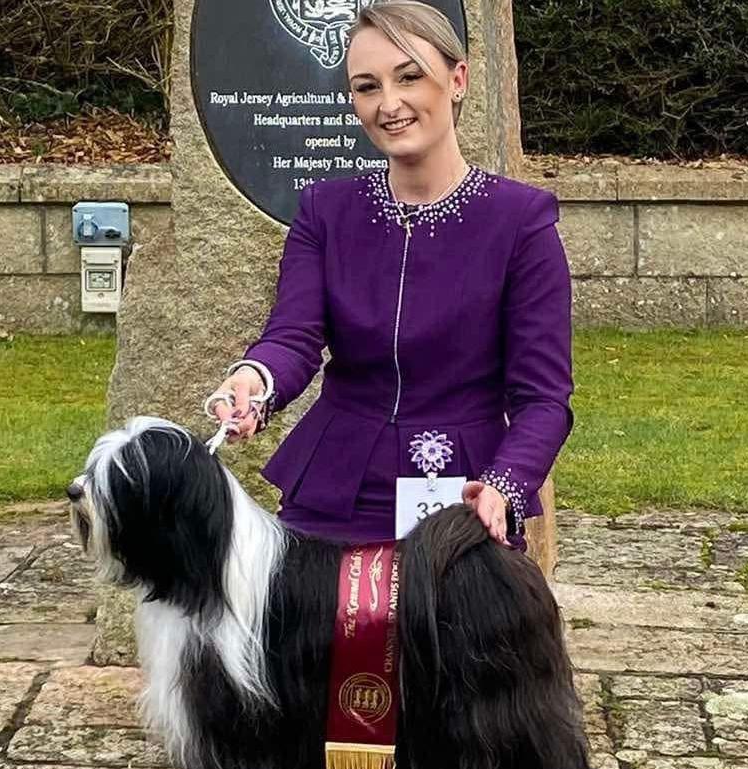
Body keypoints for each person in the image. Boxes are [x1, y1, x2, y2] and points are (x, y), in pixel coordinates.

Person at [209, 0, 572, 551]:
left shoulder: (522, 222)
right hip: (336, 486)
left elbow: (544, 397)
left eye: (408, 77)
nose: (389, 104)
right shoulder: (324, 212)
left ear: (457, 79)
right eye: (367, 86)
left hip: (466, 498)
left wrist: (504, 486)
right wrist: (254, 383)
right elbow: (294, 335)